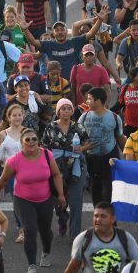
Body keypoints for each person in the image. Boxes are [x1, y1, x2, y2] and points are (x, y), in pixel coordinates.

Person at [0, 128, 65, 273]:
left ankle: (46, 253)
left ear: (38, 141)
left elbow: (56, 174)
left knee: (45, 230)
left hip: (46, 199)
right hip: (23, 200)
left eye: (34, 139)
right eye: (28, 140)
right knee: (30, 230)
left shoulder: (46, 154)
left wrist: (61, 195)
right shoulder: (14, 160)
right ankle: (32, 265)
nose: (31, 142)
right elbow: (4, 179)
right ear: (21, 143)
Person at [60, 201, 138, 273]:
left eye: (103, 216)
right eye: (96, 216)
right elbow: (73, 267)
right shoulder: (83, 238)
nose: (98, 219)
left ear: (113, 219)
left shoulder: (126, 238)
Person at [41, 99, 91, 240]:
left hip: (76, 165)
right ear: (58, 111)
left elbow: (89, 143)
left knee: (76, 201)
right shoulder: (51, 127)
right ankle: (62, 219)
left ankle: (74, 235)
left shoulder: (78, 127)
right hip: (56, 167)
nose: (66, 111)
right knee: (59, 199)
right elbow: (43, 146)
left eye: (69, 108)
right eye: (63, 109)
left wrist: (82, 148)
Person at [22, 9, 108, 80]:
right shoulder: (49, 45)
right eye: (57, 30)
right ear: (53, 34)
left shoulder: (74, 42)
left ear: (66, 31)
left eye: (62, 29)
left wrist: (100, 20)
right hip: (56, 85)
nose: (60, 32)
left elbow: (91, 33)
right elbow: (33, 42)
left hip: (74, 83)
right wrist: (25, 30)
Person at [79, 87, 126, 205]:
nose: (87, 101)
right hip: (92, 159)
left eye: (89, 99)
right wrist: (83, 146)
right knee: (95, 189)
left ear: (98, 101)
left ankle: (109, 214)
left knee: (109, 190)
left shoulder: (114, 117)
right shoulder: (84, 117)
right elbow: (77, 136)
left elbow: (121, 139)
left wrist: (126, 160)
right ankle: (98, 212)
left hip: (110, 158)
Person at [0, 104, 25, 241]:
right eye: (14, 115)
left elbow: (35, 151)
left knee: (27, 201)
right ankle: (21, 230)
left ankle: (28, 225)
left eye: (19, 115)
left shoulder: (28, 132)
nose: (17, 117)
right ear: (9, 118)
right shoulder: (3, 134)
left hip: (27, 172)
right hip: (10, 173)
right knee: (16, 201)